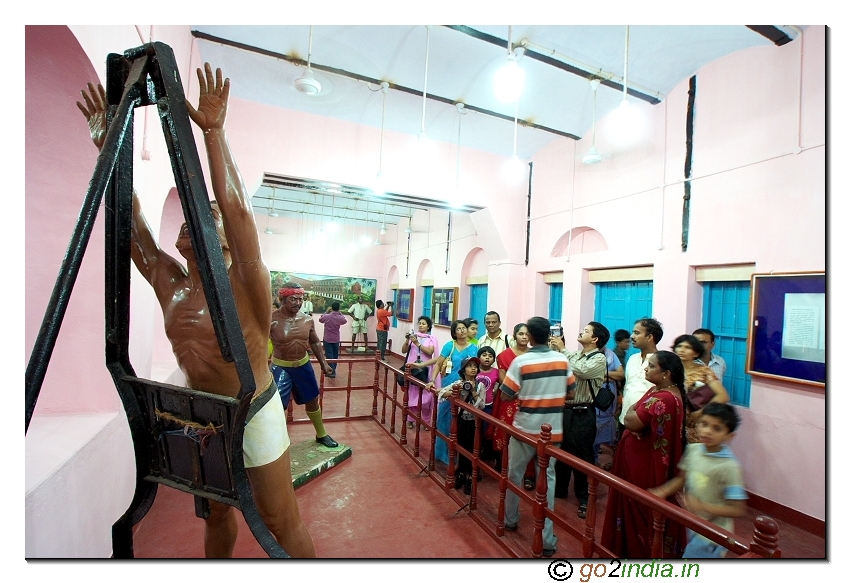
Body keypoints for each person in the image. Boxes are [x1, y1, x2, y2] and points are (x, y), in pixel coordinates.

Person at [76, 67, 315, 558]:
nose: (193, 221)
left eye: (206, 217)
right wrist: (108, 151)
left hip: (253, 411)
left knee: (278, 520)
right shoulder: (171, 282)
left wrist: (213, 133)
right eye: (190, 216)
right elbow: (133, 228)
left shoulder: (246, 284)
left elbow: (239, 213)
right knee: (217, 514)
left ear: (224, 239)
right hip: (203, 414)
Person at [500, 316, 575, 558]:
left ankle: (510, 519)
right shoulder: (562, 360)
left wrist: (528, 394)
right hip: (552, 431)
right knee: (548, 483)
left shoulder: (521, 362)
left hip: (524, 429)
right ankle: (546, 539)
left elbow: (507, 395)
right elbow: (571, 393)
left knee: (514, 474)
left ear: (530, 337)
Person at [601, 351, 687, 559]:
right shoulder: (658, 390)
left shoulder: (664, 398)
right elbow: (633, 412)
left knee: (640, 511)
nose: (646, 369)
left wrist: (634, 413)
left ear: (666, 373)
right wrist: (634, 412)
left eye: (652, 366)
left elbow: (631, 420)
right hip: (639, 459)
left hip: (646, 466)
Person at [649, 402, 747, 559]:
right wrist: (662, 491)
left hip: (713, 534)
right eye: (704, 424)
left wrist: (702, 506)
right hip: (694, 524)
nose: (708, 431)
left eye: (717, 428)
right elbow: (682, 478)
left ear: (729, 436)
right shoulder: (693, 450)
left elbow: (738, 509)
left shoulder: (730, 466)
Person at [550, 322, 610, 519]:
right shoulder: (576, 354)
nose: (581, 332)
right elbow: (563, 364)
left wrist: (563, 349)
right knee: (562, 451)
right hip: (566, 410)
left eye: (586, 331)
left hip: (583, 412)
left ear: (595, 339)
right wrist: (555, 349)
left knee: (583, 456)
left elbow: (582, 370)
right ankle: (560, 489)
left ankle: (585, 497)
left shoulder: (599, 358)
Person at [271, 282, 339, 449]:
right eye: (293, 299)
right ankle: (277, 441)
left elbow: (315, 341)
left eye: (300, 299)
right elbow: (258, 344)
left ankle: (321, 434)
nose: (298, 303)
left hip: (303, 365)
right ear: (282, 299)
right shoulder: (271, 320)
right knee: (277, 406)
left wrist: (324, 364)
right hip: (281, 367)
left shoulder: (307, 320)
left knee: (313, 400)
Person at [410, 319, 478, 465]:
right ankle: (442, 454)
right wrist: (432, 380)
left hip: (465, 386)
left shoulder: (474, 348)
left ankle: (459, 455)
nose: (462, 331)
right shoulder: (450, 346)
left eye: (464, 328)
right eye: (458, 329)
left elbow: (476, 368)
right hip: (448, 385)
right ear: (454, 332)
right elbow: (438, 362)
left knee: (462, 419)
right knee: (444, 419)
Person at [489, 323, 534, 485]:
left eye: (527, 334)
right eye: (521, 333)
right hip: (509, 398)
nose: (524, 337)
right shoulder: (504, 355)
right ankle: (503, 465)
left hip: (528, 399)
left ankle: (528, 473)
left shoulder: (533, 355)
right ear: (514, 335)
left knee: (527, 435)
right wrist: (516, 389)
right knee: (505, 431)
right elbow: (502, 378)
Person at [672, 334, 730, 443]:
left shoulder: (704, 371)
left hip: (693, 422)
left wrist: (701, 411)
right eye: (679, 346)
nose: (682, 350)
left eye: (688, 347)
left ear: (696, 353)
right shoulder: (670, 369)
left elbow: (723, 396)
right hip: (672, 419)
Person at [444, 356, 487, 495]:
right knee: (461, 446)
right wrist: (454, 392)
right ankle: (461, 473)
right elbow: (442, 393)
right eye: (469, 366)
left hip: (474, 423)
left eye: (475, 366)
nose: (473, 368)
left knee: (472, 449)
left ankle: (470, 477)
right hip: (461, 421)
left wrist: (473, 391)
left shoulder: (480, 386)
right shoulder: (458, 383)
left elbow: (481, 406)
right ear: (463, 370)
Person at [619, 318, 663, 426]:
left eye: (637, 333)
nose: (632, 336)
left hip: (646, 421)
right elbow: (628, 386)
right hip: (625, 418)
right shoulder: (632, 358)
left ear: (649, 337)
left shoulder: (662, 362)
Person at [401, 316, 438, 429]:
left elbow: (430, 352)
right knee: (412, 393)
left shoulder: (431, 339)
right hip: (413, 368)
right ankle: (411, 419)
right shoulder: (413, 337)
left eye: (424, 323)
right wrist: (407, 340)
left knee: (426, 395)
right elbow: (403, 350)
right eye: (420, 323)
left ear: (428, 326)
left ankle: (426, 421)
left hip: (426, 368)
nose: (421, 325)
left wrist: (418, 344)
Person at [594, 345, 623, 470]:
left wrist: (604, 375)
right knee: (591, 427)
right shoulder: (585, 354)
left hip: (607, 396)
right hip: (591, 394)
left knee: (602, 427)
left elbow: (620, 374)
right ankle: (592, 459)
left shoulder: (611, 355)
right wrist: (609, 377)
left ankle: (596, 455)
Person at [319, 302, 347, 378]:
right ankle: (333, 370)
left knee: (329, 355)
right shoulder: (339, 317)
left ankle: (332, 371)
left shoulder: (327, 316)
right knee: (335, 355)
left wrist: (327, 311)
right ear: (338, 308)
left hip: (327, 338)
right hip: (336, 338)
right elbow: (344, 320)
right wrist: (339, 312)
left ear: (331, 307)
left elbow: (320, 319)